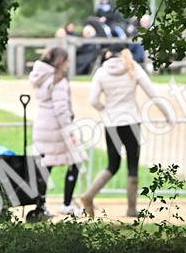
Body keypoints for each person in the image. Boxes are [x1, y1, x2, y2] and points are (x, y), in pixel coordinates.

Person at [79, 43, 171, 217]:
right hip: (131, 122)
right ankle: (131, 208)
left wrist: (104, 109)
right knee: (132, 165)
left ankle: (89, 195)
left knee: (112, 165)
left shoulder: (101, 72)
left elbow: (93, 100)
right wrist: (167, 114)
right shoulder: (132, 68)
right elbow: (152, 93)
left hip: (111, 123)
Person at [29, 47, 87, 220]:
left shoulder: (41, 77)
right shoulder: (58, 79)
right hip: (56, 128)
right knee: (76, 161)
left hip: (42, 124)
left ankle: (41, 205)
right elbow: (61, 109)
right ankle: (66, 204)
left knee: (46, 166)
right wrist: (69, 132)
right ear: (61, 61)